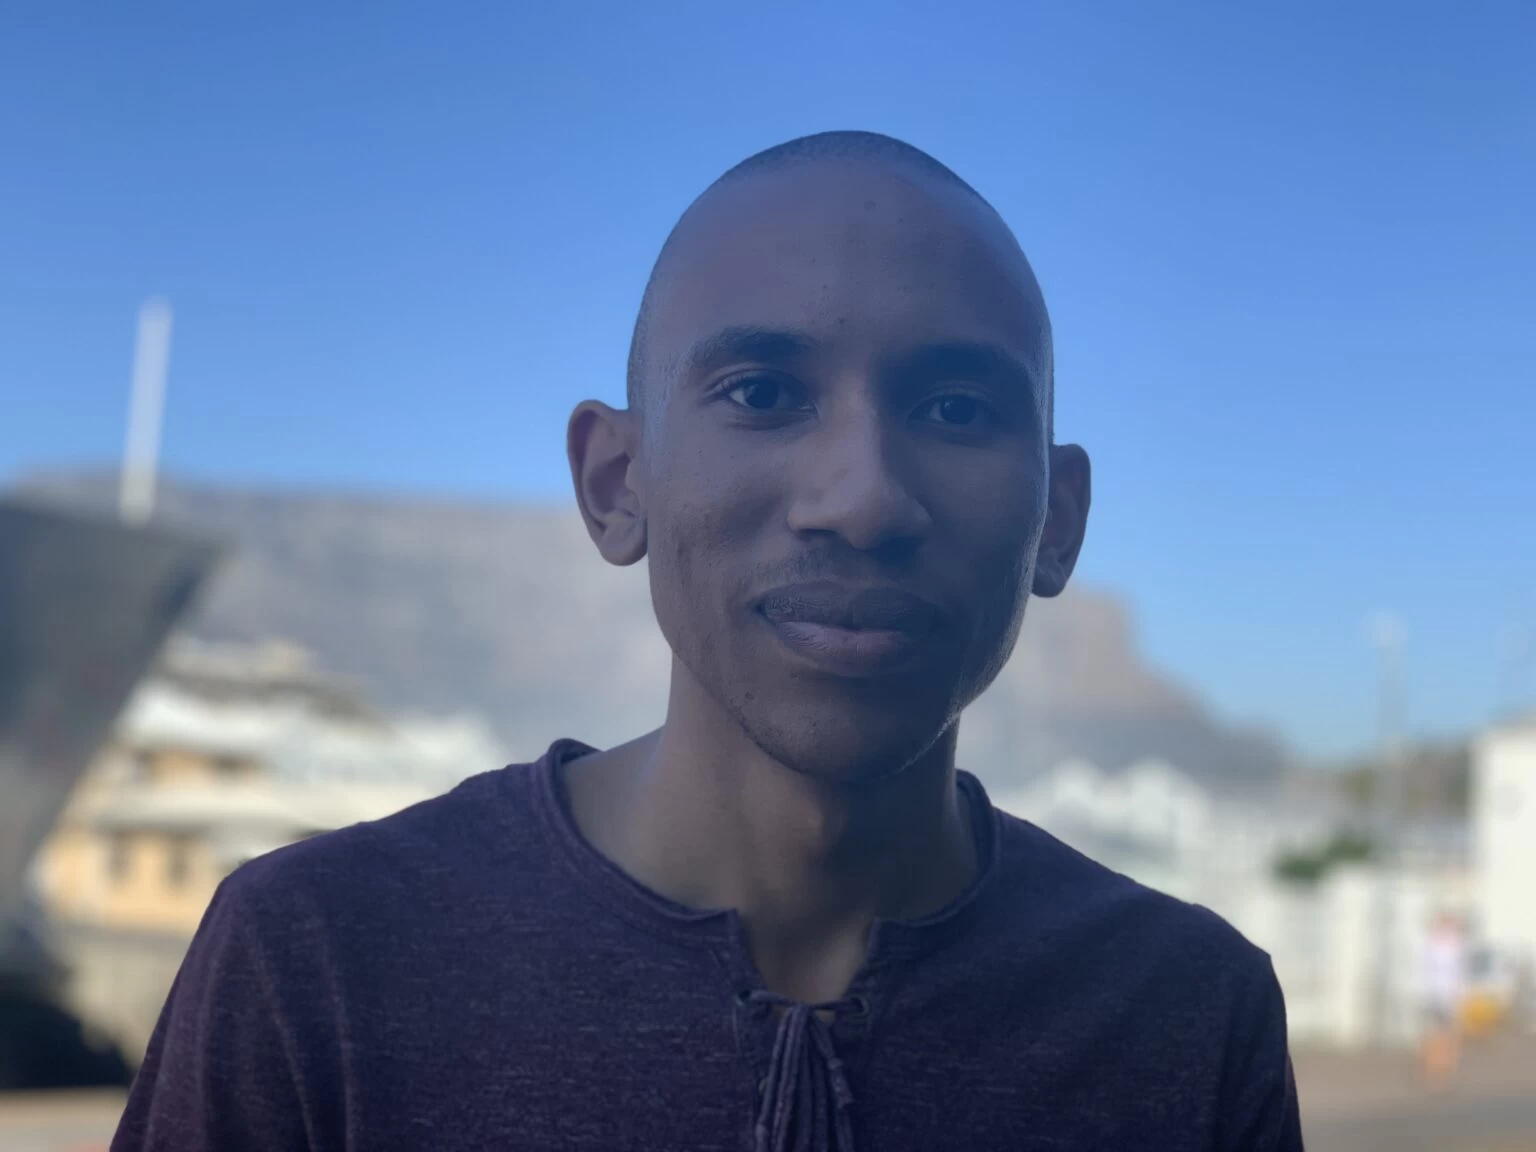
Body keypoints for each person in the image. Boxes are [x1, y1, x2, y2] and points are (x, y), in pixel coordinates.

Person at [112, 131, 1303, 1151]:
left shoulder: (1186, 1017)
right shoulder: (319, 964)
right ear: (616, 483)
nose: (862, 498)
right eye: (764, 393)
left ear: (1060, 520)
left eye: (955, 409)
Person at [1419, 910, 1468, 1088]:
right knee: (1436, 1033)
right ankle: (1435, 1070)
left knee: (1448, 1034)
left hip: (1449, 994)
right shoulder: (1433, 943)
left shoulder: (1456, 944)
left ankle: (1445, 1069)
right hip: (1436, 993)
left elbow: (1460, 972)